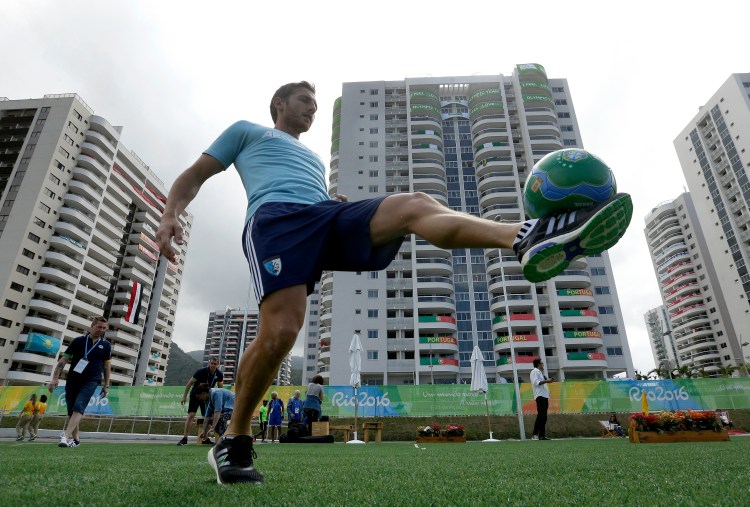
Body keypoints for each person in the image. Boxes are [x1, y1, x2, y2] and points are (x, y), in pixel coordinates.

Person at [156, 81, 632, 484]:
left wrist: (330, 200)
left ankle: (524, 236)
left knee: (413, 203)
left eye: (315, 104)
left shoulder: (313, 160)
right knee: (281, 332)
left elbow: (317, 196)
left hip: (324, 214)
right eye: (305, 100)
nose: (313, 109)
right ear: (279, 104)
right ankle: (235, 437)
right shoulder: (247, 132)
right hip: (277, 223)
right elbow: (195, 175)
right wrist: (172, 214)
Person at [48, 316, 111, 448]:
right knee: (71, 410)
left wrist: (106, 385)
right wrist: (55, 378)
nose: (101, 330)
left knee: (79, 405)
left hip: (92, 380)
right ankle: (76, 440)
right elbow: (63, 361)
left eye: (104, 328)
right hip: (73, 379)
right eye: (99, 327)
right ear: (92, 326)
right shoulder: (78, 341)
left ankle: (65, 436)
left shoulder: (106, 345)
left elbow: (107, 367)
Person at [177, 357, 224, 446]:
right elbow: (190, 383)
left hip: (207, 397)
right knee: (191, 415)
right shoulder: (201, 371)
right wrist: (184, 396)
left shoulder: (219, 374)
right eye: (211, 363)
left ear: (217, 365)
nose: (213, 365)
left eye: (215, 364)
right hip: (196, 395)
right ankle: (185, 438)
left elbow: (220, 386)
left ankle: (205, 438)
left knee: (208, 416)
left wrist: (221, 398)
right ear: (209, 363)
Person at [530, 358, 554, 440]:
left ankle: (542, 435)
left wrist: (547, 380)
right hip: (539, 396)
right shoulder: (534, 371)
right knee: (541, 415)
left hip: (544, 396)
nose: (543, 364)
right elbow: (536, 383)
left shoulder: (540, 373)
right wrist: (547, 381)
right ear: (538, 364)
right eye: (542, 363)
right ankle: (535, 434)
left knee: (544, 416)